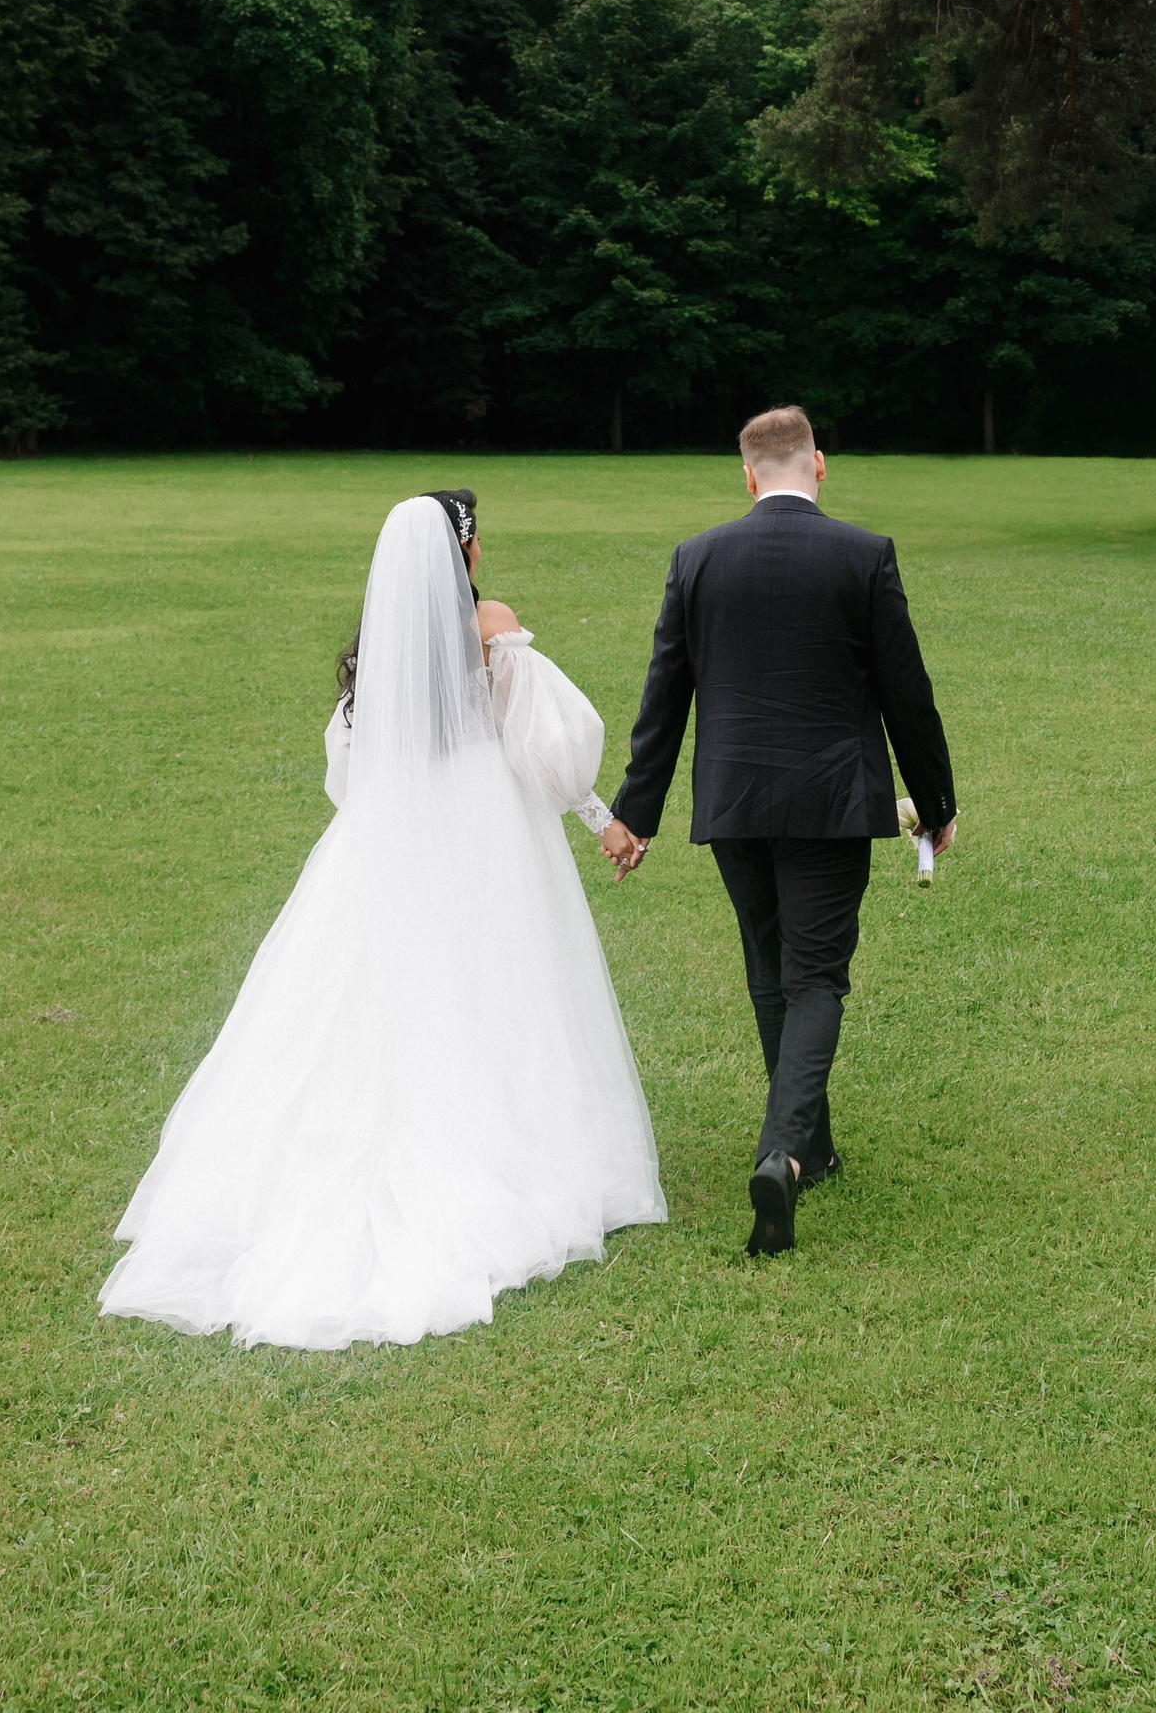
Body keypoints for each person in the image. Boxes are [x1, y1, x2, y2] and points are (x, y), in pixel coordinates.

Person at [100, 492, 662, 1350]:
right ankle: (500, 1155)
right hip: (482, 833)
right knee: (493, 990)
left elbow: (347, 772)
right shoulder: (489, 625)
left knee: (371, 995)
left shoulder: (382, 646)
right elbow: (544, 752)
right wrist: (604, 825)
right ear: (464, 556)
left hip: (387, 834)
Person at [609, 406, 956, 1259]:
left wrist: (637, 814)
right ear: (820, 466)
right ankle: (787, 1154)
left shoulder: (697, 559)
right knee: (817, 978)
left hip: (733, 803)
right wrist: (936, 803)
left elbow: (664, 701)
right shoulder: (863, 554)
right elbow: (907, 692)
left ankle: (812, 1144)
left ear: (750, 475)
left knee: (774, 973)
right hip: (833, 803)